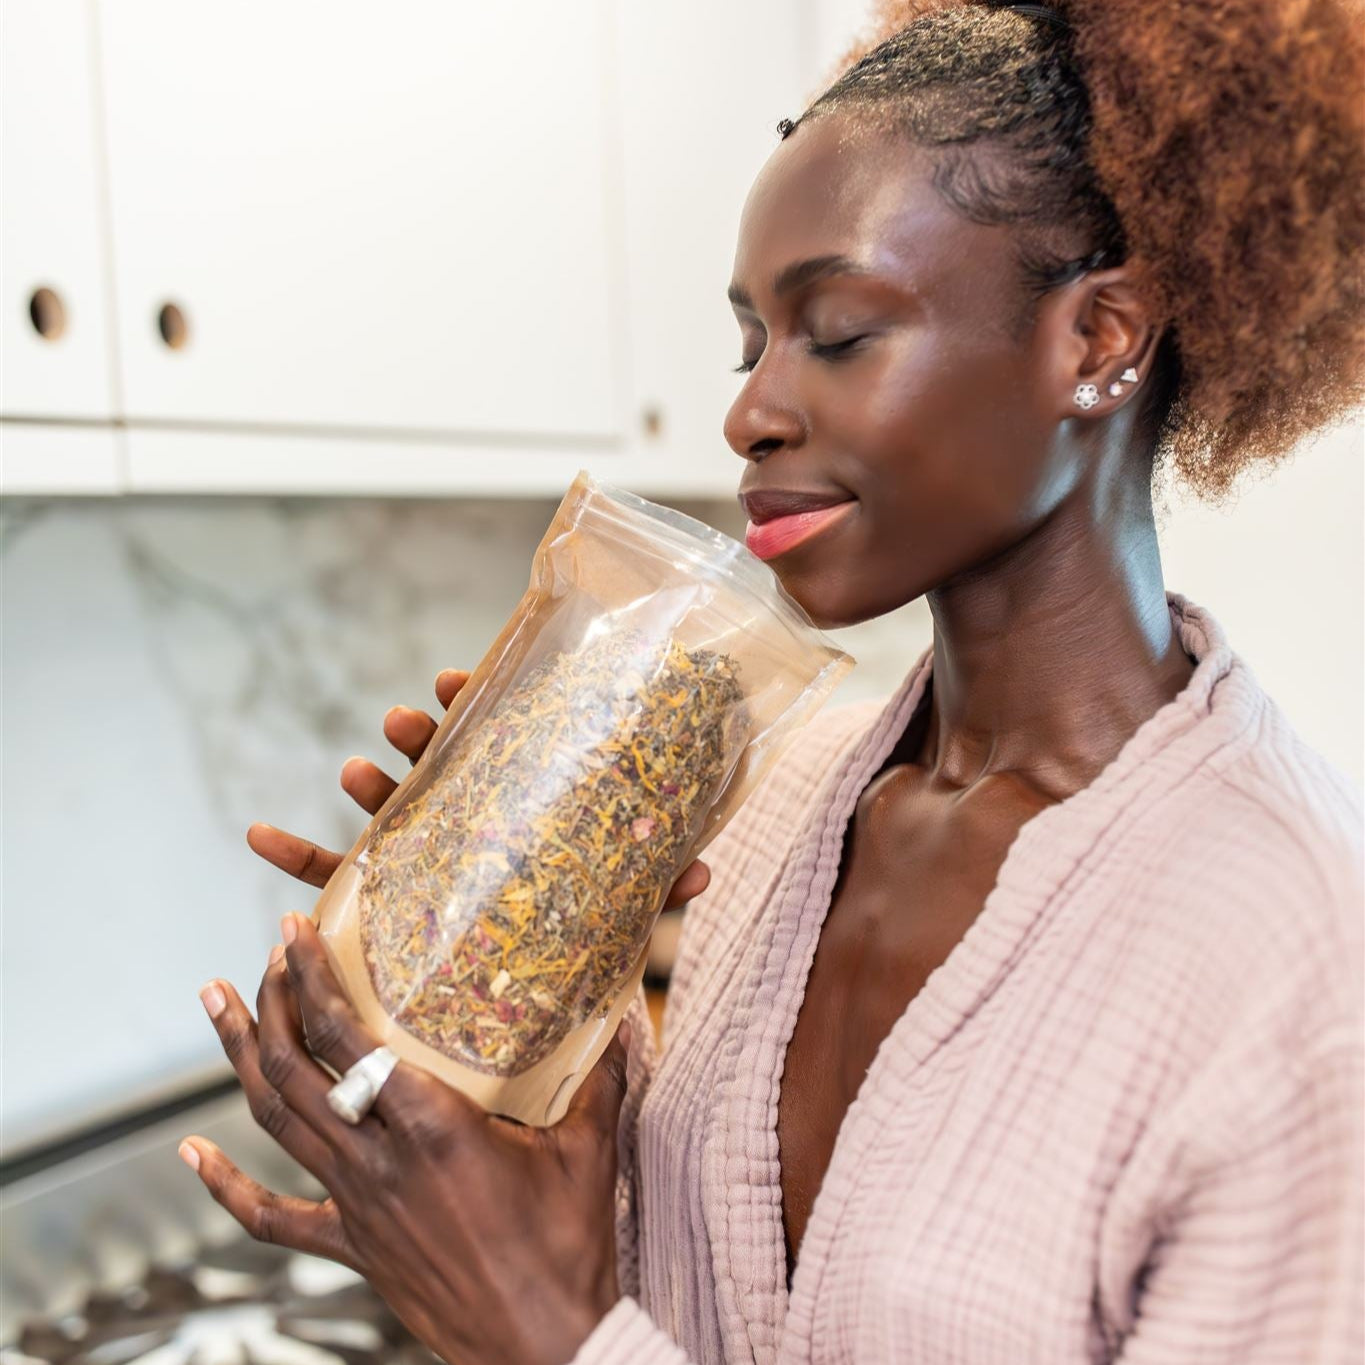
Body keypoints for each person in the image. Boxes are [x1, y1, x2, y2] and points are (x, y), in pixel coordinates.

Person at [179, 1, 1365, 1361]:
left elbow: (577, 1337)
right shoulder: (769, 796)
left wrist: (542, 1330)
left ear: (1095, 342)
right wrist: (474, 1033)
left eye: (839, 330)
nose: (750, 411)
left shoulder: (1303, 962)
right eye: (751, 342)